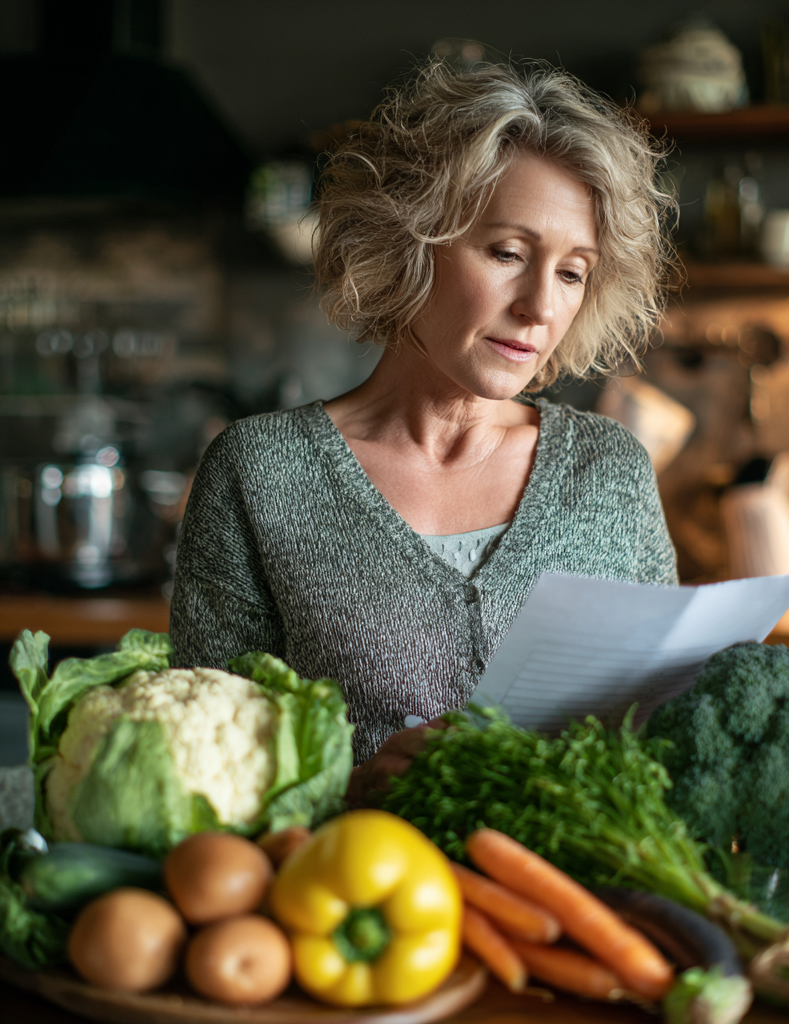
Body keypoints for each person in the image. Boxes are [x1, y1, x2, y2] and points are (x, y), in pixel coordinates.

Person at [169, 60, 679, 799]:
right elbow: (206, 776)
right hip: (354, 903)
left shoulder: (611, 470)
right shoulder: (259, 472)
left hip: (573, 907)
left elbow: (661, 741)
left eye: (573, 272)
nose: (540, 305)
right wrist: (355, 788)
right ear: (413, 240)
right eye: (508, 254)